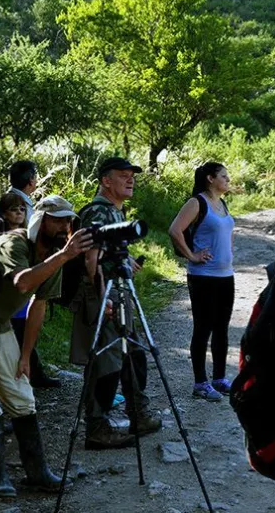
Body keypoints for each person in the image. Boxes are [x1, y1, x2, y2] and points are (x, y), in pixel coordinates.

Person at [0, 195, 90, 498]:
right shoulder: (13, 243)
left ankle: (37, 473)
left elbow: (38, 305)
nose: (64, 226)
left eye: (68, 221)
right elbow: (23, 283)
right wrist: (64, 256)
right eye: (57, 220)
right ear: (40, 221)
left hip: (1, 326)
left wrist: (26, 356)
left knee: (22, 397)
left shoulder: (53, 256)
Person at [70, 156, 162, 450]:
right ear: (105, 181)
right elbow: (91, 259)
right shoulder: (98, 212)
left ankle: (138, 413)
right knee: (106, 360)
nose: (130, 179)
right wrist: (102, 300)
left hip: (119, 291)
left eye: (131, 175)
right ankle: (96, 427)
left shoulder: (114, 211)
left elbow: (105, 252)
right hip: (105, 293)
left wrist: (125, 259)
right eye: (123, 175)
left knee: (133, 352)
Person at [168, 162, 236, 402]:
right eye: (224, 176)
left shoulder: (222, 203)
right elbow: (175, 230)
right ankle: (200, 383)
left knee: (222, 328)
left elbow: (227, 232)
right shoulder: (197, 202)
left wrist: (228, 254)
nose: (228, 180)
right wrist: (192, 255)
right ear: (210, 178)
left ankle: (219, 379)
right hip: (203, 277)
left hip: (226, 275)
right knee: (203, 328)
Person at [0, 194, 61, 389]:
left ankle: (31, 372)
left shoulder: (31, 236)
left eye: (21, 209)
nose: (19, 213)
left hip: (22, 300)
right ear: (4, 213)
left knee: (23, 335)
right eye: (13, 209)